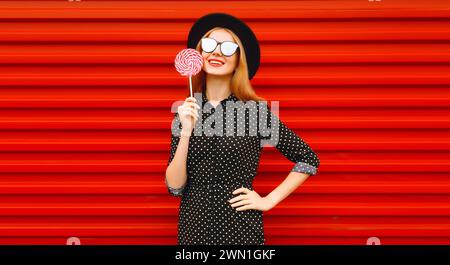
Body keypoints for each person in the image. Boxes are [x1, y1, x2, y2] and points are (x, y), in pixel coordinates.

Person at [165, 13, 320, 245]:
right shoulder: (186, 111)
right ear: (199, 55)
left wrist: (269, 200)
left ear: (239, 60)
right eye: (209, 44)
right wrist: (186, 130)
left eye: (227, 47)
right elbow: (175, 187)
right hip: (193, 228)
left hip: (240, 230)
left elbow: (308, 158)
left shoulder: (255, 112)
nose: (216, 52)